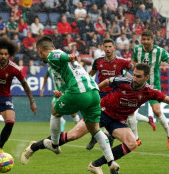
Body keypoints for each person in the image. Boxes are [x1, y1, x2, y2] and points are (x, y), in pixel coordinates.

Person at [21, 63, 169, 174]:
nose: (134, 78)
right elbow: (106, 83)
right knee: (73, 136)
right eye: (133, 74)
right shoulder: (123, 80)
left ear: (145, 77)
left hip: (118, 121)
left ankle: (95, 165)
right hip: (101, 111)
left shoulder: (149, 91)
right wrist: (95, 92)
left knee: (132, 143)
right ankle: (34, 146)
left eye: (138, 76)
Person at [31, 36, 119, 173]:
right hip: (94, 92)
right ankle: (111, 161)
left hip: (79, 91)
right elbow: (68, 71)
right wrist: (62, 92)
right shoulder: (61, 65)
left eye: (38, 52)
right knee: (95, 129)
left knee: (55, 110)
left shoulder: (52, 54)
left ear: (40, 50)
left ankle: (54, 144)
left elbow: (60, 56)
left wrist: (68, 57)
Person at [85, 38, 154, 150]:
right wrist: (86, 82)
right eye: (105, 46)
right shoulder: (98, 61)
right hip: (101, 94)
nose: (107, 49)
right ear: (102, 48)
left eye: (109, 46)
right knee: (95, 117)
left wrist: (140, 77)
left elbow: (135, 69)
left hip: (115, 95)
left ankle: (117, 136)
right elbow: (90, 74)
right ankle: (98, 136)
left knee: (117, 117)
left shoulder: (121, 62)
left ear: (114, 48)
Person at [131, 30, 169, 151]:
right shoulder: (137, 50)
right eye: (143, 39)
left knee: (156, 111)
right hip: (138, 86)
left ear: (152, 40)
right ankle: (135, 140)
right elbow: (133, 65)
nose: (145, 42)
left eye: (147, 39)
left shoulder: (160, 51)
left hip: (153, 86)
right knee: (131, 112)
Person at [40, 66, 80, 131]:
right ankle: (61, 123)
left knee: (73, 113)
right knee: (54, 110)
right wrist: (42, 88)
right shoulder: (49, 69)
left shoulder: (63, 67)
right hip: (56, 93)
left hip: (66, 92)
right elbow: (45, 77)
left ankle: (79, 126)